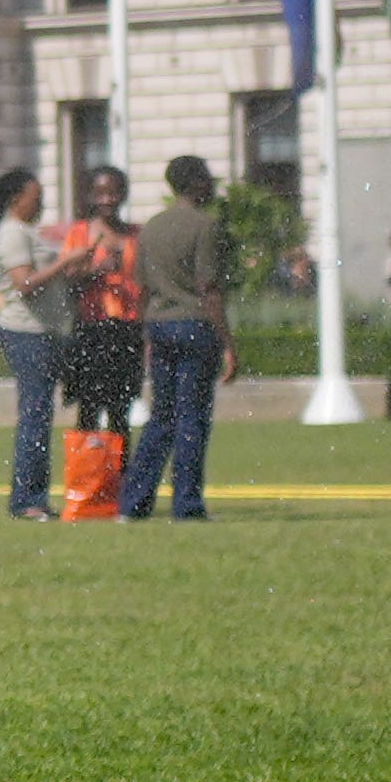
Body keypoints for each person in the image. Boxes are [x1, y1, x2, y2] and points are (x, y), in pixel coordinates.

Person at [118, 156, 235, 522]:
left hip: (160, 326)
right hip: (195, 326)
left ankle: (133, 503)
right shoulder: (205, 226)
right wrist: (228, 344)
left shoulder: (151, 228)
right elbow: (208, 289)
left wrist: (143, 334)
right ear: (197, 183)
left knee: (161, 417)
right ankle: (187, 504)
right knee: (193, 418)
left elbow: (141, 287)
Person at [0, 169, 83, 520]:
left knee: (39, 415)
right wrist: (65, 262)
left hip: (43, 332)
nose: (40, 202)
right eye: (35, 196)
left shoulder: (26, 232)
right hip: (26, 333)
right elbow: (24, 283)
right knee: (35, 415)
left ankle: (34, 497)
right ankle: (27, 499)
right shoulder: (12, 234)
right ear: (16, 199)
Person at [57, 166, 143, 443]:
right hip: (91, 330)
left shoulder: (134, 235)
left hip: (127, 329)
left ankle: (120, 478)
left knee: (121, 411)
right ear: (91, 196)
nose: (108, 199)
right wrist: (98, 270)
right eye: (101, 193)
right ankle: (87, 480)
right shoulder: (80, 234)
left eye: (114, 192)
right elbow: (67, 280)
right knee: (89, 410)